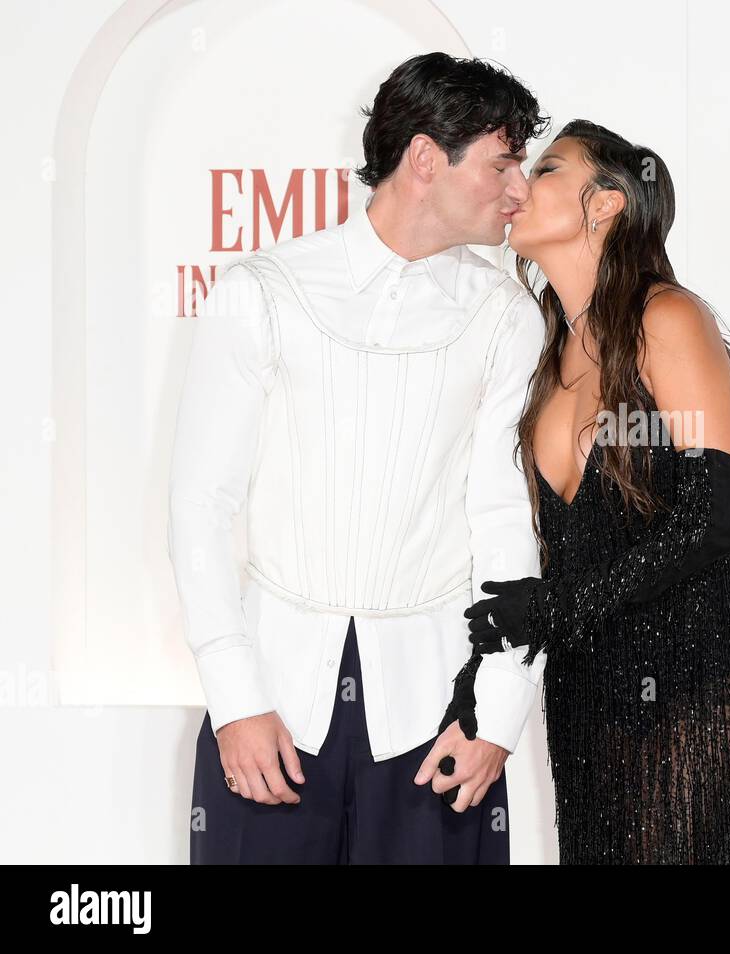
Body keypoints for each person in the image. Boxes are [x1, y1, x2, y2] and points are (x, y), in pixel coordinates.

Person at [168, 52, 550, 863]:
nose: (521, 189)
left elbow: (505, 520)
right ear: (423, 159)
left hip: (442, 722)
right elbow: (200, 505)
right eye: (504, 162)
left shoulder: (507, 317)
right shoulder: (262, 291)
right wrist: (235, 699)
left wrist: (499, 708)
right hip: (272, 708)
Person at [439, 119, 730, 863]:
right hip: (586, 696)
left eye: (550, 169)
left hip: (694, 685)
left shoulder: (668, 319)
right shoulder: (543, 347)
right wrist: (476, 684)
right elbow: (543, 553)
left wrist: (551, 610)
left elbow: (715, 516)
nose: (521, 186)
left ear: (604, 206)